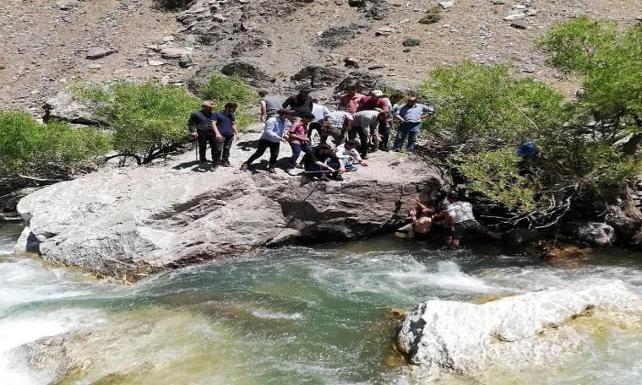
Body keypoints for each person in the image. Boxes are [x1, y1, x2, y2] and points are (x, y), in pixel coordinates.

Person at [433, 193, 499, 248]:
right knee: (489, 232)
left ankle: (452, 254)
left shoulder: (451, 206)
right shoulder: (467, 203)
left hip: (462, 224)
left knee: (456, 241)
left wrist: (452, 225)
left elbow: (451, 216)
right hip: (473, 222)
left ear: (450, 199)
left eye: (448, 199)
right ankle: (501, 238)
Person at [241, 109, 294, 173]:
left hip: (275, 141)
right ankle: (246, 163)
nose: (290, 116)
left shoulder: (284, 121)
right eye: (289, 114)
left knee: (275, 154)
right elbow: (268, 131)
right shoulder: (272, 120)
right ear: (284, 114)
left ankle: (271, 166)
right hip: (266, 139)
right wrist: (279, 138)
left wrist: (285, 135)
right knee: (259, 153)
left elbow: (285, 129)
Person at [187, 100, 221, 169]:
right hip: (201, 132)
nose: (211, 108)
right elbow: (191, 123)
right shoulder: (196, 114)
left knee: (214, 146)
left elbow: (218, 123)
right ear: (204, 107)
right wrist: (193, 131)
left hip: (212, 132)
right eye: (209, 107)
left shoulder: (213, 114)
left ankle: (214, 160)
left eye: (211, 107)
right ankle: (202, 159)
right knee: (202, 146)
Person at [211, 103, 238, 168]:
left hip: (230, 135)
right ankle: (215, 163)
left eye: (235, 109)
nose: (234, 110)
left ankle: (225, 161)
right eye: (233, 109)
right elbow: (213, 124)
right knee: (218, 149)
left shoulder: (231, 115)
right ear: (227, 108)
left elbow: (233, 124)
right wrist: (217, 133)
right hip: (220, 135)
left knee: (227, 149)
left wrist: (237, 133)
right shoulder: (217, 114)